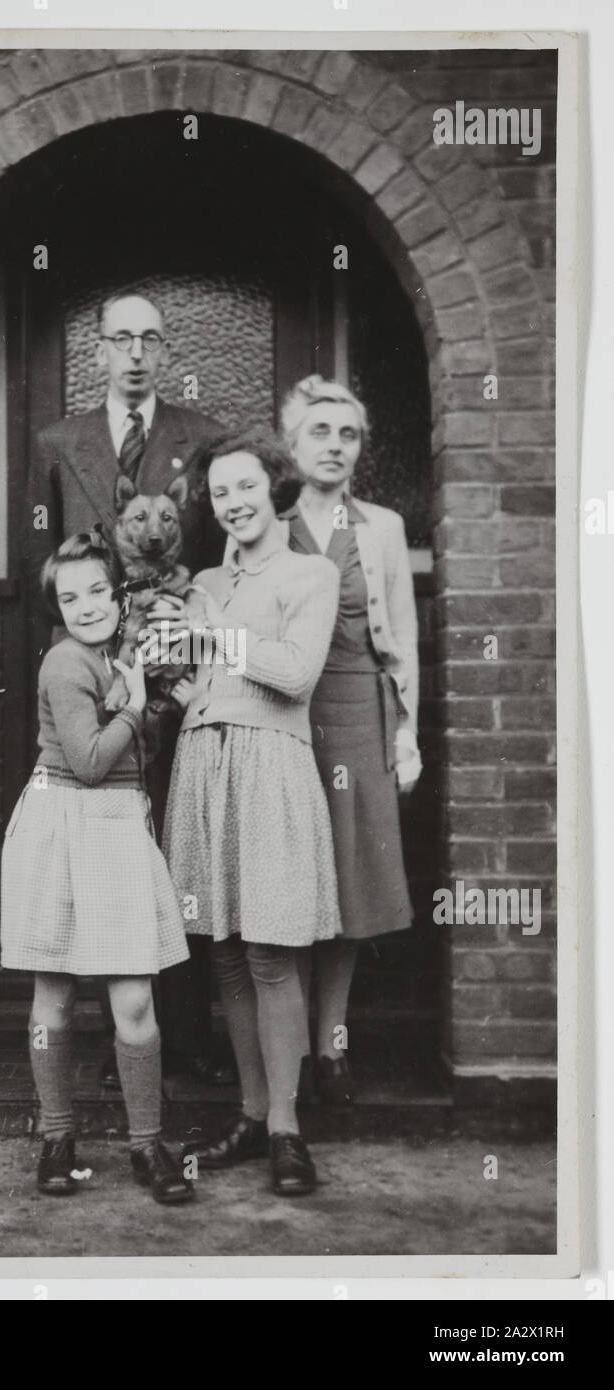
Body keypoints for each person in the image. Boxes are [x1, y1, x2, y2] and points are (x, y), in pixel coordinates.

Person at [23, 291, 233, 1087]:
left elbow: (207, 566)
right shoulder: (57, 441)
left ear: (164, 350)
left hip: (172, 678)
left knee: (173, 849)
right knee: (93, 853)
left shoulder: (202, 441)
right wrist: (73, 687)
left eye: (150, 339)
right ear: (99, 353)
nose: (136, 353)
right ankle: (101, 1038)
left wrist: (177, 662)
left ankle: (180, 1036)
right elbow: (41, 576)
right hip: (88, 692)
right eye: (121, 340)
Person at [161, 430, 342, 1197]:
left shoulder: (311, 572)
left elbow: (295, 674)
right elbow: (205, 682)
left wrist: (213, 636)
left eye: (244, 487)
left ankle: (287, 1130)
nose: (231, 503)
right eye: (218, 493)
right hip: (205, 765)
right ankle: (248, 1111)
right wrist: (166, 673)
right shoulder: (203, 579)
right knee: (227, 952)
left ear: (274, 488)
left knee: (271, 952)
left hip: (270, 766)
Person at [0, 531, 198, 1205]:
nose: (85, 606)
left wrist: (160, 692)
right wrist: (139, 706)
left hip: (116, 825)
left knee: (134, 997)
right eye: (68, 596)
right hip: (61, 820)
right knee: (54, 993)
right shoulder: (64, 661)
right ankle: (57, 1137)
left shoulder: (123, 653)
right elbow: (87, 761)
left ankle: (147, 1144)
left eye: (96, 590)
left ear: (119, 591)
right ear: (55, 606)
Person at [281, 375, 422, 1104]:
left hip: (360, 714)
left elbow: (402, 642)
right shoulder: (269, 528)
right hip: (290, 719)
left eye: (348, 435)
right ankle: (288, 1052)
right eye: (319, 432)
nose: (334, 446)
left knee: (350, 887)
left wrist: (405, 740)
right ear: (291, 444)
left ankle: (329, 1041)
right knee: (295, 881)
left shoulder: (383, 528)